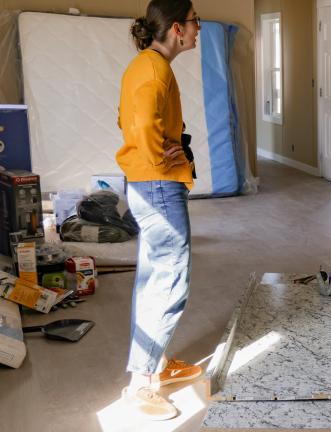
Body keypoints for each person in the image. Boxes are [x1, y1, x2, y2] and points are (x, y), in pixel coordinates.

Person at [116, 0, 201, 421]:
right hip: (158, 187)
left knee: (154, 276)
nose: (198, 27)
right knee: (170, 279)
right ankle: (143, 384)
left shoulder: (144, 65)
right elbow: (143, 121)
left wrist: (154, 151)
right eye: (193, 21)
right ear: (174, 28)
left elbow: (124, 119)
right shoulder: (154, 70)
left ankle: (155, 362)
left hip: (146, 183)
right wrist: (158, 156)